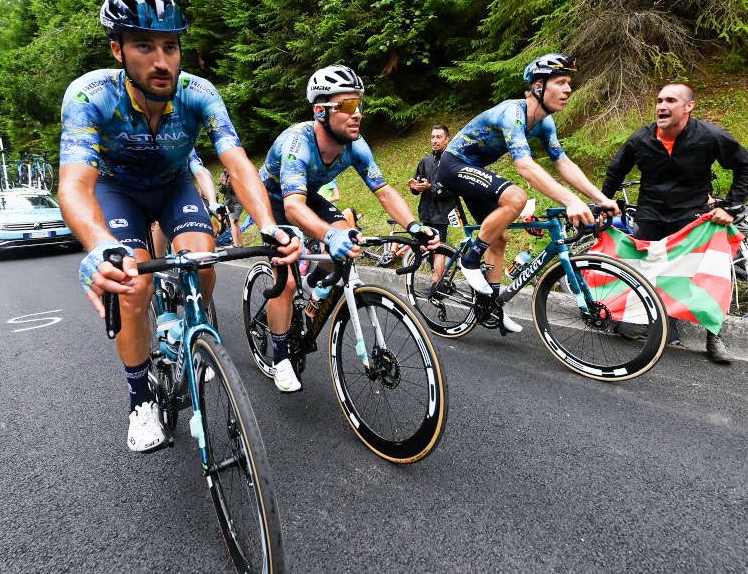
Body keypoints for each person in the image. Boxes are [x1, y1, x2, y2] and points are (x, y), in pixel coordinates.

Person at [58, 0, 300, 452]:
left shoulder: (198, 92)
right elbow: (74, 184)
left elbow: (236, 162)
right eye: (145, 46)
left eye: (170, 46)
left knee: (202, 259)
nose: (162, 61)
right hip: (116, 192)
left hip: (174, 186)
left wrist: (269, 226)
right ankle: (140, 397)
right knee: (133, 284)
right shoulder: (90, 95)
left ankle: (196, 319)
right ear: (118, 49)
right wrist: (97, 245)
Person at [259, 64, 441, 393]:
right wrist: (328, 235)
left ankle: (315, 289)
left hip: (306, 195)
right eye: (346, 106)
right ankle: (280, 356)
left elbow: (383, 191)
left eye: (359, 105)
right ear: (320, 111)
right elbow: (291, 207)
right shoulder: (296, 144)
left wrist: (415, 226)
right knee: (285, 280)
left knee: (348, 236)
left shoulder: (356, 146)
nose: (357, 114)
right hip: (272, 200)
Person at [435, 53, 620, 333]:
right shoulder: (513, 113)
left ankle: (490, 306)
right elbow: (525, 167)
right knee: (516, 198)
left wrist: (600, 199)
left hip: (474, 170)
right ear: (537, 87)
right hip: (453, 165)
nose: (568, 89)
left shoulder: (544, 123)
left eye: (569, 83)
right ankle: (470, 258)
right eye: (560, 82)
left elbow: (563, 162)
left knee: (500, 238)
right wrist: (570, 199)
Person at [601, 82, 748, 364]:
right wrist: (603, 203)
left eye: (671, 100)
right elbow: (615, 172)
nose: (662, 106)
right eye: (659, 100)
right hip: (651, 213)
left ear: (688, 107)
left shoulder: (709, 136)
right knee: (640, 267)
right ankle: (644, 321)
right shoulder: (640, 139)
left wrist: (731, 208)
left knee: (706, 274)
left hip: (691, 216)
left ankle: (714, 335)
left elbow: (746, 167)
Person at [407, 124, 461, 285]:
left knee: (438, 248)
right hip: (426, 211)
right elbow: (417, 185)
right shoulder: (425, 161)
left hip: (443, 212)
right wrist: (414, 187)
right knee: (428, 248)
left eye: (438, 137)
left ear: (447, 139)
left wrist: (432, 188)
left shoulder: (452, 160)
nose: (435, 141)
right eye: (432, 137)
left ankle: (437, 283)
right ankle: (437, 280)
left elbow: (454, 189)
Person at [217, 168, 244, 247]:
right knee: (235, 223)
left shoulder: (236, 175)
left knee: (232, 222)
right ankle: (240, 244)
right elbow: (222, 191)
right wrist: (223, 184)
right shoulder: (223, 175)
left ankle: (235, 244)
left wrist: (230, 183)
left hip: (237, 202)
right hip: (229, 204)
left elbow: (237, 190)